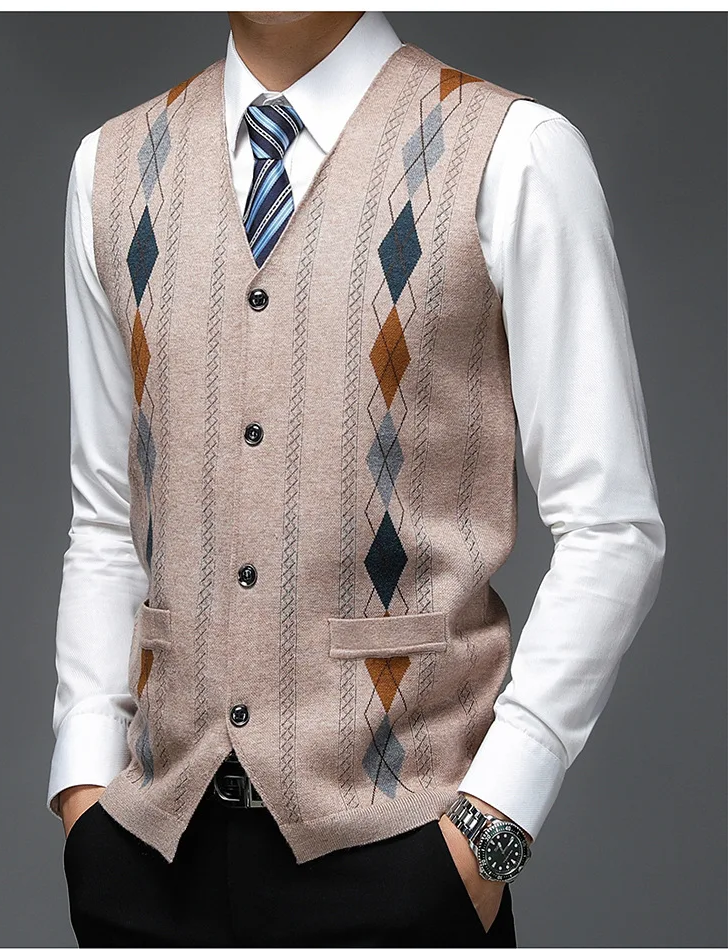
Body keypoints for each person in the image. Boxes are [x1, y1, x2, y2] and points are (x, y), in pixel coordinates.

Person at [47, 10, 666, 948]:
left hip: (406, 861)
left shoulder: (514, 154)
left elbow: (613, 527)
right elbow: (105, 518)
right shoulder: (112, 168)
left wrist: (492, 827)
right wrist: (84, 791)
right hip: (147, 865)